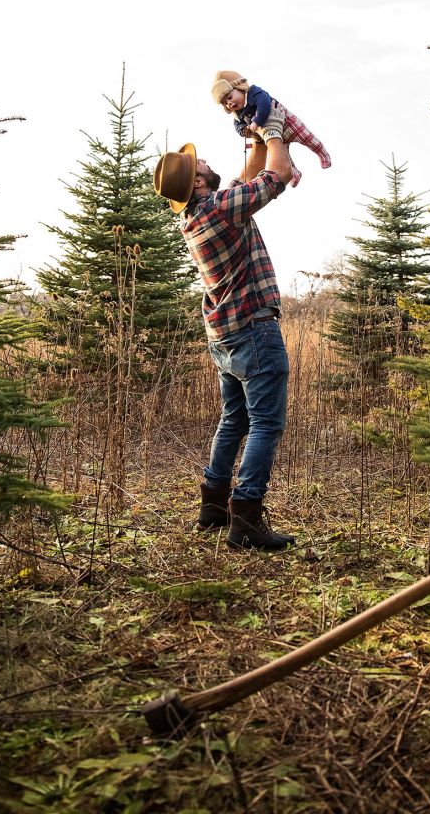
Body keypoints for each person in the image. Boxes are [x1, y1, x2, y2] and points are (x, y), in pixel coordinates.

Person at [153, 134, 295, 551]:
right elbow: (278, 174)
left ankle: (213, 505)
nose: (206, 164)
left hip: (224, 336)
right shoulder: (220, 209)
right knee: (266, 424)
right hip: (255, 330)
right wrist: (274, 133)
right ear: (198, 184)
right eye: (200, 167)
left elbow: (245, 175)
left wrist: (252, 140)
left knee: (235, 420)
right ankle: (246, 518)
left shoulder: (198, 213)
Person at [211, 70, 331, 188]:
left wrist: (257, 121)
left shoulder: (255, 93)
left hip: (287, 122)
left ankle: (323, 154)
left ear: (241, 88)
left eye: (230, 97)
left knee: (307, 138)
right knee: (283, 155)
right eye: (225, 103)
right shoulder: (238, 114)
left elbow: (264, 104)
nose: (230, 103)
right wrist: (244, 130)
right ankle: (295, 174)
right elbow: (237, 125)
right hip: (274, 134)